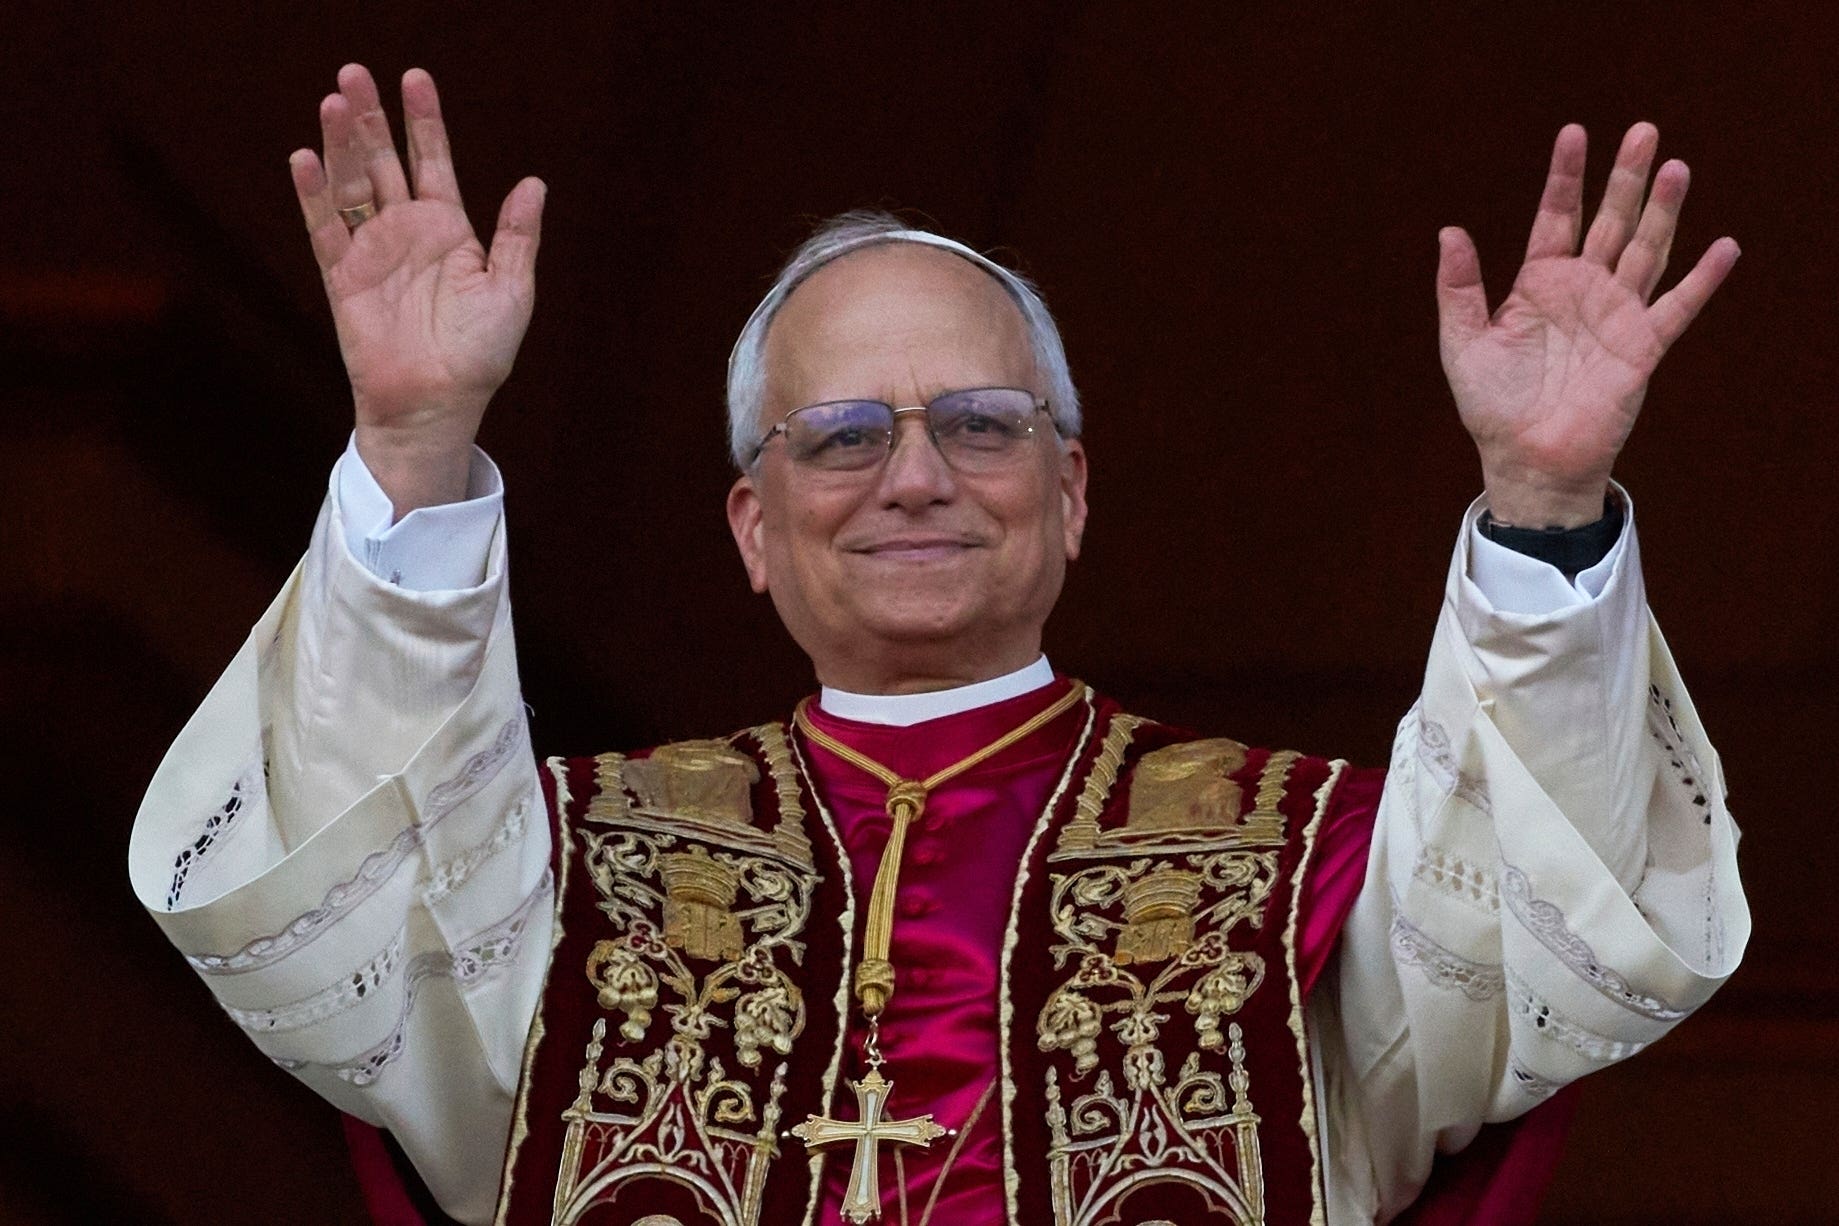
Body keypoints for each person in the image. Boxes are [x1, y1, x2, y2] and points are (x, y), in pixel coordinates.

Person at [129, 63, 1748, 1226]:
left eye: (980, 421)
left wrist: (1545, 497)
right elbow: (353, 957)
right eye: (839, 435)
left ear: (1074, 490)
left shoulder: (1308, 862)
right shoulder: (562, 865)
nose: (913, 471)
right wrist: (412, 458)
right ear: (753, 528)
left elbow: (1541, 943)